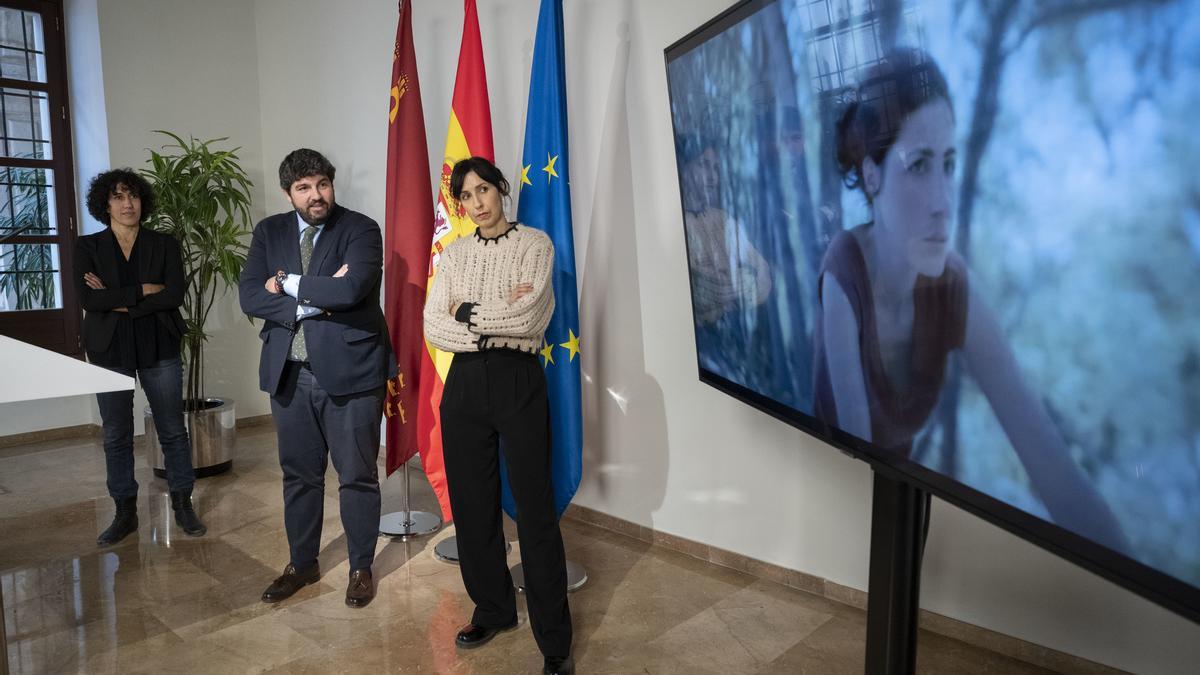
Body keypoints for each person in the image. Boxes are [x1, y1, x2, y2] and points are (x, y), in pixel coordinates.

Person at [814, 48, 1127, 551]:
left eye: (949, 164)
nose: (943, 201)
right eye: (918, 165)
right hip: (831, 496)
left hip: (891, 500)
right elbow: (859, 459)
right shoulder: (844, 268)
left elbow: (1054, 469)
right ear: (871, 174)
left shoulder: (953, 287)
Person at [423, 156, 574, 675]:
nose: (477, 202)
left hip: (517, 380)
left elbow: (531, 318)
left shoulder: (536, 245)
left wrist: (467, 311)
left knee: (534, 509)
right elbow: (433, 324)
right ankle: (493, 609)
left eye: (484, 189)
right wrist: (488, 319)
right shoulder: (455, 255)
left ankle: (554, 642)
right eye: (466, 196)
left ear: (500, 189)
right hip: (464, 385)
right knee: (472, 506)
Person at [238, 148, 394, 608]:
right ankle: (302, 563)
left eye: (322, 184)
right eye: (304, 188)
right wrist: (314, 297)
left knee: (357, 476)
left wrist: (283, 283)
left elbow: (351, 288)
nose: (316, 195)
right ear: (289, 193)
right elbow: (249, 296)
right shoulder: (269, 232)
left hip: (352, 374)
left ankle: (361, 566)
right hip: (290, 374)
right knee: (299, 477)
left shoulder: (360, 228)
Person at [75, 169, 206, 545]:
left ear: (142, 201)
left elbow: (174, 296)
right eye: (117, 196)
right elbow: (89, 300)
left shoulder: (164, 243)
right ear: (105, 204)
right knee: (116, 433)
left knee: (172, 430)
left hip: (158, 343)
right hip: (108, 349)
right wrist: (143, 290)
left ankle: (183, 504)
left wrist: (116, 298)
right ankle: (124, 513)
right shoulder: (87, 247)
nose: (127, 203)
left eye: (132, 196)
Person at [677, 134, 773, 378]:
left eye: (716, 168)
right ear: (685, 167)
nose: (712, 176)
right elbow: (704, 288)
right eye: (704, 165)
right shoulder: (678, 224)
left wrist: (743, 284)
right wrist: (735, 283)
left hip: (736, 335)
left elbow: (762, 270)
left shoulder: (722, 218)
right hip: (696, 347)